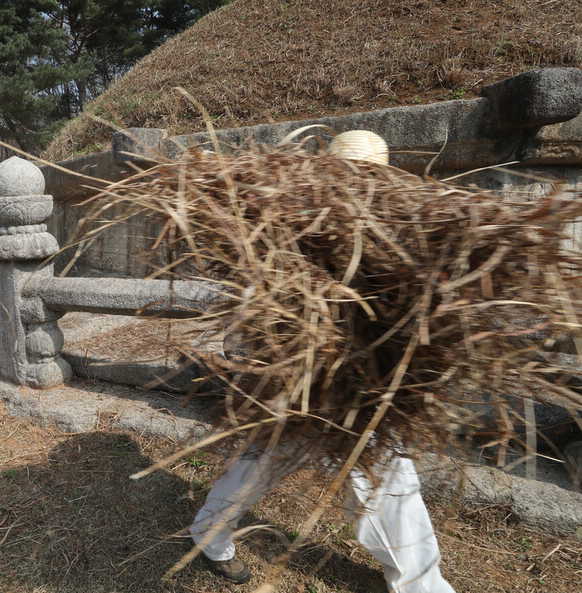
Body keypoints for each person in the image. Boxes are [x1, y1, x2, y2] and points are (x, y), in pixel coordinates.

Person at [190, 132, 455, 592]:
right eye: (354, 174)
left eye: (370, 177)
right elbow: (259, 305)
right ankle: (209, 536)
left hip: (362, 386)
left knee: (386, 481)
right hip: (298, 383)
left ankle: (421, 585)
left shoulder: (395, 232)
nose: (362, 184)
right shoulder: (292, 225)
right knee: (266, 465)